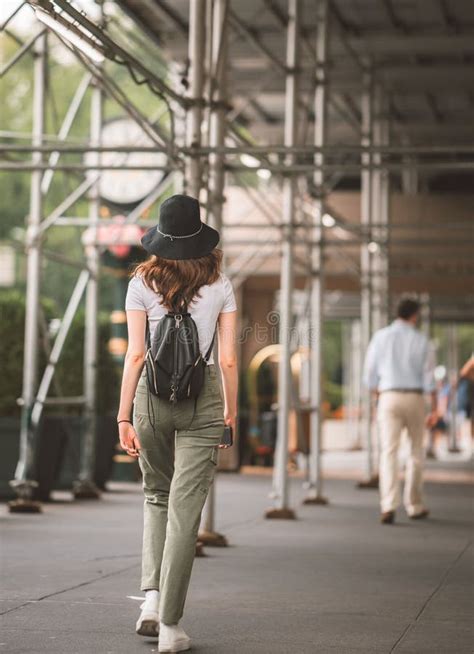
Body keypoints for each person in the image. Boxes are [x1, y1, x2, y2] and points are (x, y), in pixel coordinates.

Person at [116, 194, 238, 652]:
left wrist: (124, 414)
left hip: (149, 394)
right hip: (203, 397)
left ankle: (150, 601)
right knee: (187, 511)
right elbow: (226, 358)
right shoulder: (221, 284)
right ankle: (170, 625)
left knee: (156, 496)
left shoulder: (140, 284)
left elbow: (134, 354)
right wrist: (230, 411)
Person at [363, 297, 436, 524]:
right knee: (415, 452)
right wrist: (434, 407)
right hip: (414, 396)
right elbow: (429, 377)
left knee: (389, 451)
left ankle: (388, 505)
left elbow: (369, 375)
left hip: (389, 396)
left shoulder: (380, 337)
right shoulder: (423, 341)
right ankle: (414, 505)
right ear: (414, 315)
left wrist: (379, 396)